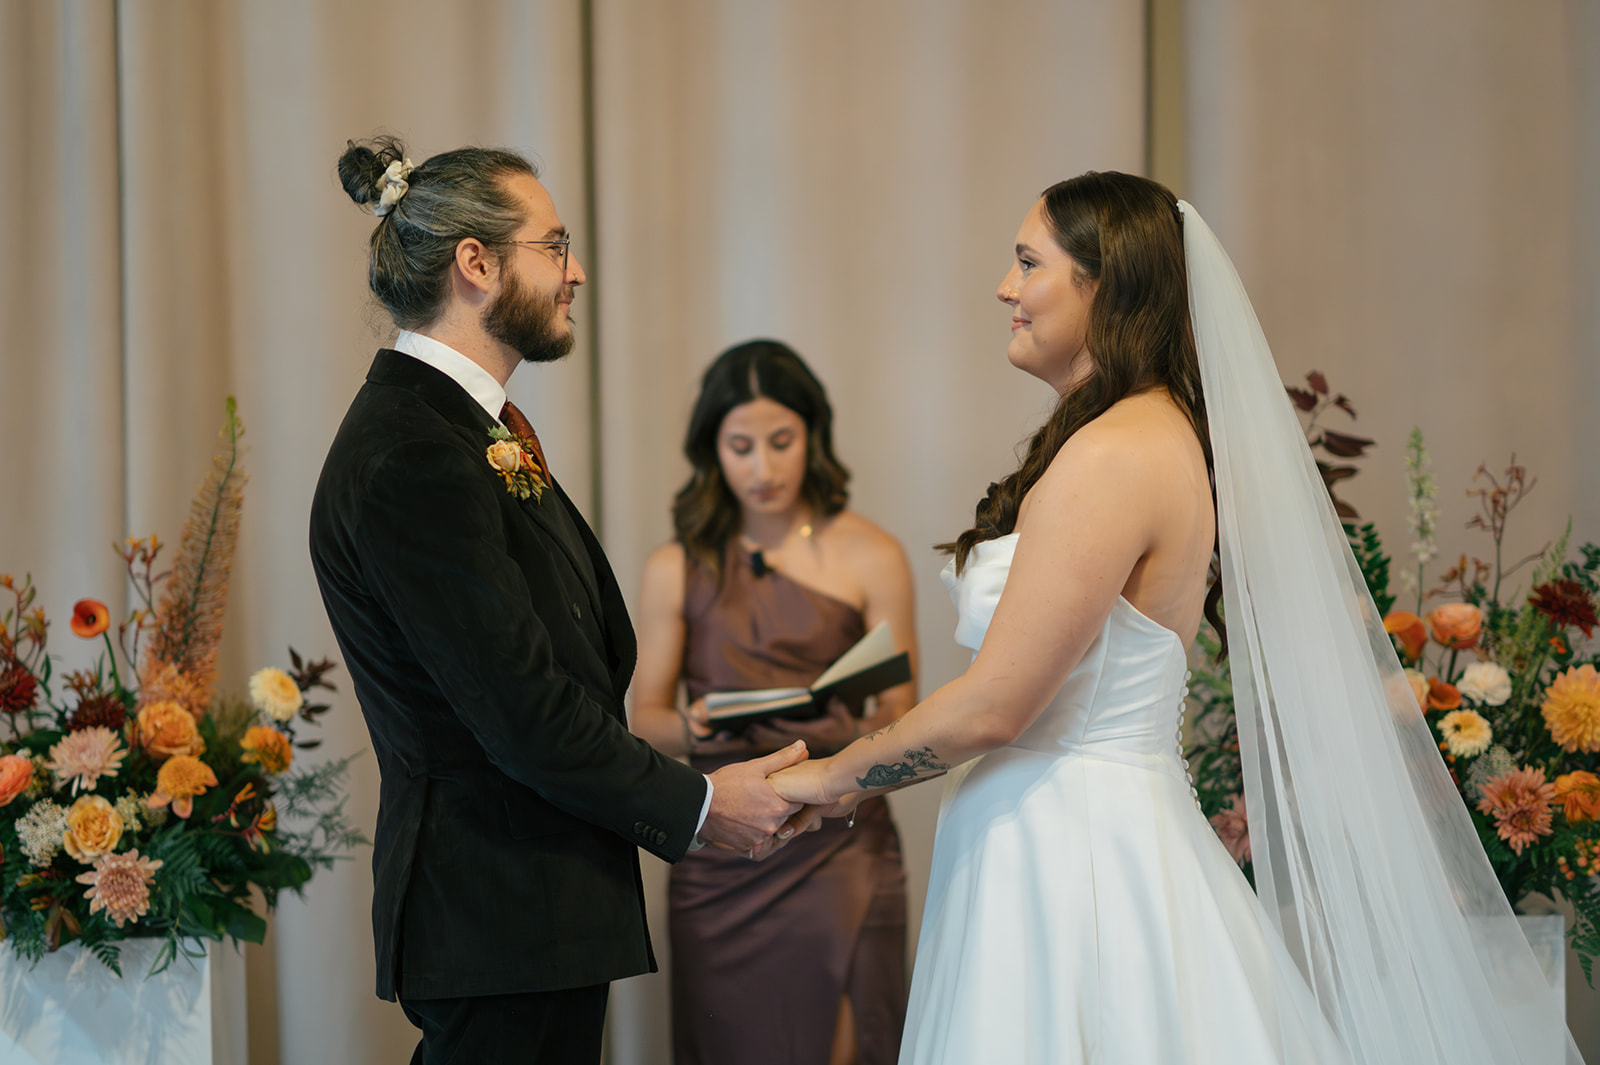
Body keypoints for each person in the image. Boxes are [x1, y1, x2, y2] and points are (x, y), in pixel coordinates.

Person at [771, 172, 1582, 1063]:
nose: (1005, 287)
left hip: (1071, 856)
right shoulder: (1151, 434)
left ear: (1105, 283)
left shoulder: (1114, 454)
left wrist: (834, 777)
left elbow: (997, 706)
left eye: (1029, 262)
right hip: (1073, 833)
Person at [309, 136, 809, 1065]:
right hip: (497, 908)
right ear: (476, 263)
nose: (575, 272)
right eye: (555, 246)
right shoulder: (412, 451)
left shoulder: (461, 427)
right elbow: (523, 711)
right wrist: (700, 805)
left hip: (534, 912)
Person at [630, 339, 917, 1065]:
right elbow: (645, 720)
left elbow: (903, 714)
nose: (763, 468)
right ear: (712, 449)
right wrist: (693, 723)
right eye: (741, 447)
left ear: (813, 434)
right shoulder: (676, 566)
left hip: (838, 837)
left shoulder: (872, 554)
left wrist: (852, 741)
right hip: (723, 849)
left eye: (781, 442)